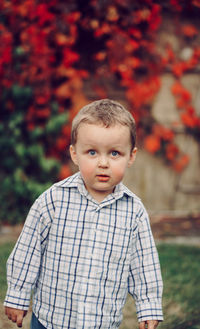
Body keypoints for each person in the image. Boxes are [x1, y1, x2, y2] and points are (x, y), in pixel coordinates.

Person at [4, 99, 163, 329]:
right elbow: (28, 250)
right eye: (91, 152)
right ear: (74, 154)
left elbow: (144, 264)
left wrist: (148, 306)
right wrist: (18, 294)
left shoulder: (134, 212)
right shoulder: (54, 200)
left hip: (101, 322)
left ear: (131, 156)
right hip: (51, 318)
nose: (103, 163)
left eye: (115, 153)